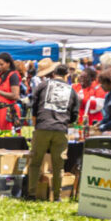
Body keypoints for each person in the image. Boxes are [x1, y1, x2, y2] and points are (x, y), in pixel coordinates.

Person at [28, 60, 80, 201]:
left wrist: (36, 124)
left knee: (35, 162)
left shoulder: (42, 86)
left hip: (42, 127)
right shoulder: (72, 91)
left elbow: (33, 106)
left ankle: (31, 194)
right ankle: (56, 196)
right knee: (58, 166)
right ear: (66, 75)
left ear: (53, 73)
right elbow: (74, 116)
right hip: (60, 130)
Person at [0, 52, 21, 130]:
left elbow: (15, 95)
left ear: (8, 64)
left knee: (7, 136)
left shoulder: (13, 75)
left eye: (1, 64)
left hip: (8, 112)